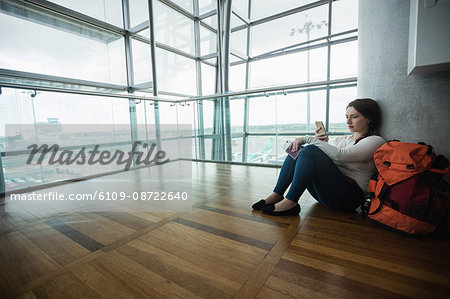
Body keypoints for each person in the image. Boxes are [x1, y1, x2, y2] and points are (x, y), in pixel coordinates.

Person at [252, 98, 385, 216]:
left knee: (309, 150)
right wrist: (320, 141)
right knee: (299, 151)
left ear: (369, 118)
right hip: (326, 194)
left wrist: (307, 138)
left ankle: (290, 202)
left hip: (348, 199)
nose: (348, 121)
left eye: (354, 117)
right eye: (346, 116)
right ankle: (277, 194)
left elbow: (341, 156)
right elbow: (326, 156)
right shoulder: (342, 139)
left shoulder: (375, 141)